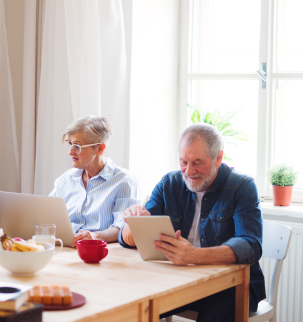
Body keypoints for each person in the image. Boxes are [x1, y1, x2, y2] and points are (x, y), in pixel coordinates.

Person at [118, 123, 265, 322]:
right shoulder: (169, 184)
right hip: (179, 280)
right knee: (128, 302)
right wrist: (133, 223)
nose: (188, 171)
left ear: (218, 158)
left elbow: (251, 245)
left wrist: (195, 256)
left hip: (233, 286)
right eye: (183, 162)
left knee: (221, 306)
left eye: (198, 162)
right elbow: (125, 240)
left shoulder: (242, 186)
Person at [49, 116, 140, 247]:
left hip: (101, 253)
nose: (70, 152)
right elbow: (46, 217)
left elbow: (123, 227)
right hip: (64, 250)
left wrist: (95, 236)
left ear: (100, 149)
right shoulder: (65, 180)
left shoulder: (125, 182)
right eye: (70, 144)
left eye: (77, 146)